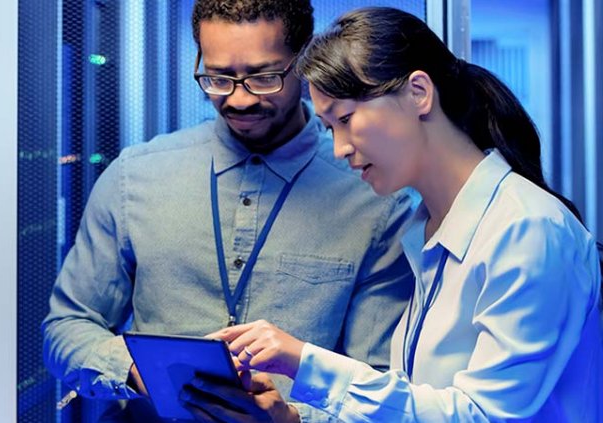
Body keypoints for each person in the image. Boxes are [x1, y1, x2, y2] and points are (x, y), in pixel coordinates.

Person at [191, 6, 603, 422]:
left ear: (418, 93)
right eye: (330, 128)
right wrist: (289, 418)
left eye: (347, 119)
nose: (340, 148)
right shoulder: (426, 231)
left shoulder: (526, 228)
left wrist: (305, 362)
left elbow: (483, 415)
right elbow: (419, 406)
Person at [42, 1, 415, 421]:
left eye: (263, 77)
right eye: (218, 78)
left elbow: (380, 387)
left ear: (307, 62)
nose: (238, 100)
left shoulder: (374, 200)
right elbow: (66, 327)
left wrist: (291, 418)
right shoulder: (134, 177)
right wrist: (134, 370)